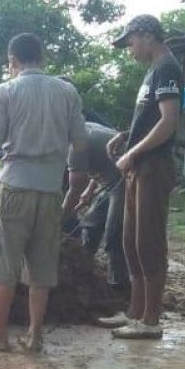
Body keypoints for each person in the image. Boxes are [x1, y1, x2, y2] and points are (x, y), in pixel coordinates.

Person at [0, 33, 86, 353]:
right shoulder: (66, 92)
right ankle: (35, 336)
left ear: (13, 61)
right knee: (41, 265)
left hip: (15, 187)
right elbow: (80, 142)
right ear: (42, 58)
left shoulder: (5, 92)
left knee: (3, 263)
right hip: (51, 190)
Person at [102, 15, 182, 340]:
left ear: (147, 36)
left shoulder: (167, 68)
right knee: (130, 242)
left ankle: (150, 320)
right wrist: (127, 136)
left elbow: (168, 122)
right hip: (139, 166)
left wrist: (134, 153)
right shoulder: (153, 70)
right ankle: (134, 312)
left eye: (130, 42)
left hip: (152, 167)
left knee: (148, 242)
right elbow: (150, 119)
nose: (129, 50)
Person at [62, 121, 128, 293]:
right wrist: (89, 192)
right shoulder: (85, 127)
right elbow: (101, 159)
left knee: (114, 234)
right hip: (111, 181)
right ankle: (84, 271)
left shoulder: (75, 143)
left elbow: (74, 189)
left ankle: (119, 288)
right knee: (90, 222)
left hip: (127, 181)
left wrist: (58, 221)